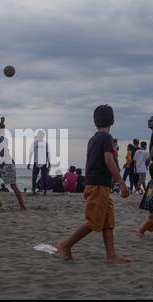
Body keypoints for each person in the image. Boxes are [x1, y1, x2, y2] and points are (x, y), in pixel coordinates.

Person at [57, 104, 131, 262]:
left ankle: (111, 255)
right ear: (112, 121)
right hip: (98, 185)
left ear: (94, 121)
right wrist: (122, 183)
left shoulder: (93, 139)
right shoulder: (106, 138)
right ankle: (66, 245)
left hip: (99, 184)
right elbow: (108, 160)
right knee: (94, 221)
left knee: (107, 221)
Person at [0, 117, 26, 210]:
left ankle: (23, 206)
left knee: (13, 186)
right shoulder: (1, 137)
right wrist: (2, 123)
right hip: (1, 165)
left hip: (7, 165)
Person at [27, 130, 51, 195]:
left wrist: (49, 162)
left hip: (43, 162)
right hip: (36, 162)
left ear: (43, 136)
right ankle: (34, 190)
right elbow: (31, 153)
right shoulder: (34, 143)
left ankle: (45, 191)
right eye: (39, 134)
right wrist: (29, 163)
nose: (40, 136)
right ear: (38, 135)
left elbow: (47, 153)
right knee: (34, 177)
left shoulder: (46, 144)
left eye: (42, 134)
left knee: (43, 177)